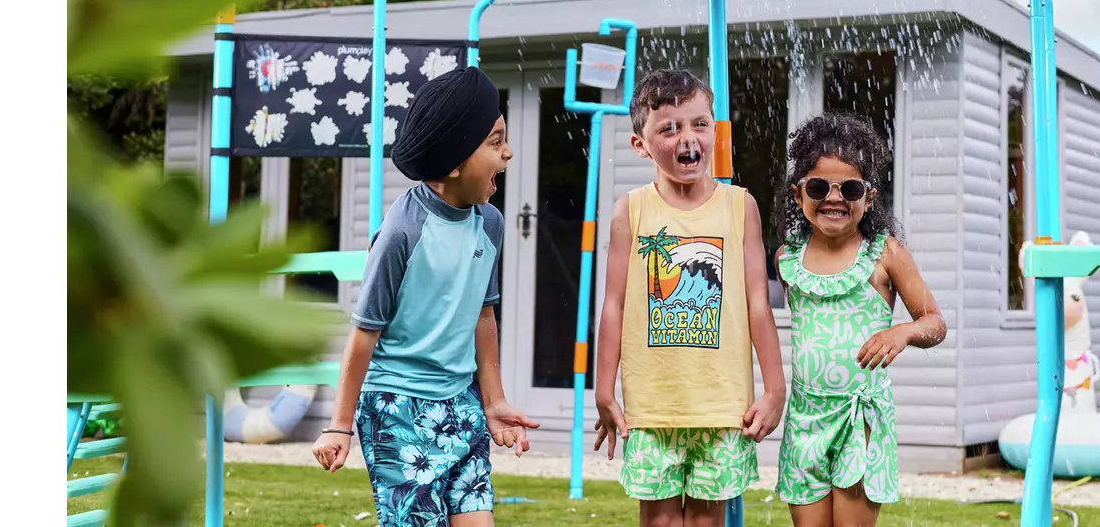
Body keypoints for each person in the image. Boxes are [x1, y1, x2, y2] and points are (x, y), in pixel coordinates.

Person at [311, 66, 539, 527]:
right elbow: (363, 335)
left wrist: (493, 402)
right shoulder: (402, 232)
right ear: (453, 164)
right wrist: (340, 423)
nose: (508, 153)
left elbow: (483, 317)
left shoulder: (489, 223)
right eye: (495, 143)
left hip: (461, 402)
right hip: (398, 407)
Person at [592, 69, 787, 527]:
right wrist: (604, 387)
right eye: (669, 128)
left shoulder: (741, 206)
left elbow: (758, 304)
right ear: (641, 144)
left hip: (722, 407)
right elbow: (614, 306)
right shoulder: (631, 210)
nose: (688, 138)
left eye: (699, 123)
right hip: (652, 406)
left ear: (714, 130)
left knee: (706, 521)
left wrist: (775, 388)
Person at [774, 112, 947, 527]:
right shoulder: (787, 259)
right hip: (804, 419)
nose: (834, 198)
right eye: (819, 187)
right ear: (799, 195)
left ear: (868, 197)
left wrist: (903, 331)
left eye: (849, 188)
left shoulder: (885, 254)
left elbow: (935, 322)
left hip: (859, 419)